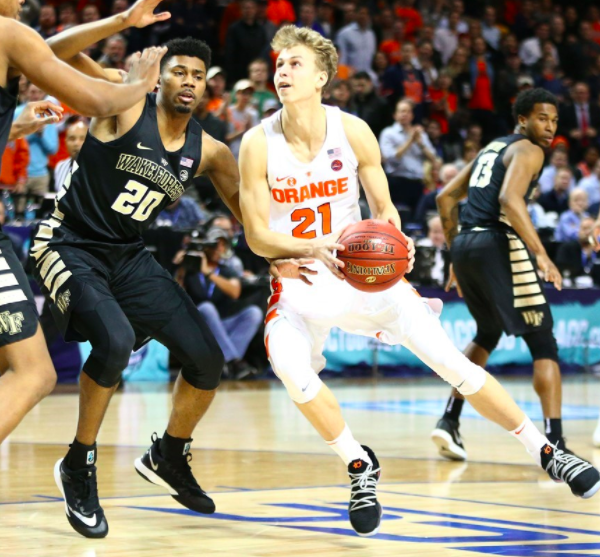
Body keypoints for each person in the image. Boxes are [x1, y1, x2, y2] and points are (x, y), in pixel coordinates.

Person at [239, 27, 600, 538]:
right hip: (303, 283)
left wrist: (397, 239)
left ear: (322, 76)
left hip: (367, 280)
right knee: (290, 369)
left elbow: (383, 207)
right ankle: (358, 465)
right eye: (279, 63)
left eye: (295, 63)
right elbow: (256, 234)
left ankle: (547, 451)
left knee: (457, 367)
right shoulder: (257, 142)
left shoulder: (354, 130)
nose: (282, 71)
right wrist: (307, 248)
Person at [33, 26, 304, 538]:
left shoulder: (210, 152)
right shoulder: (124, 102)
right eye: (178, 71)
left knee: (206, 360)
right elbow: (52, 53)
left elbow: (251, 219)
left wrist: (282, 255)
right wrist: (124, 28)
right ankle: (78, 462)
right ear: (159, 78)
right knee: (114, 343)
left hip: (128, 257)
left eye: (197, 76)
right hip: (67, 242)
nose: (188, 81)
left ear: (205, 88)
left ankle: (169, 455)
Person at [0, 0, 165, 447]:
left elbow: (47, 50)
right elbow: (94, 98)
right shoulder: (8, 34)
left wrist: (12, 124)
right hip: (71, 245)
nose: (23, 3)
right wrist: (138, 83)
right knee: (33, 374)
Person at [432, 89, 596, 471]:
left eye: (554, 121)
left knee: (486, 332)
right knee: (543, 342)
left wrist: (457, 253)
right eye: (542, 118)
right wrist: (540, 254)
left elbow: (445, 197)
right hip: (497, 242)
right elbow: (510, 200)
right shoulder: (529, 149)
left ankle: (449, 420)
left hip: (468, 244)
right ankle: (554, 444)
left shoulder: (493, 147)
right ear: (522, 119)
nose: (550, 128)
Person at [183, 227, 263, 380]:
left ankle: (225, 364)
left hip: (222, 327)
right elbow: (175, 291)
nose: (218, 248)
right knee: (207, 307)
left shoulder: (226, 270)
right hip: (197, 327)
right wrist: (181, 266)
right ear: (205, 245)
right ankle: (234, 362)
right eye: (215, 244)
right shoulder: (191, 269)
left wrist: (209, 274)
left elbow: (235, 291)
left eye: (222, 245)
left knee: (254, 313)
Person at [53, 119, 88, 193]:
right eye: (72, 139)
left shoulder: (99, 169)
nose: (76, 143)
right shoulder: (60, 167)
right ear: (65, 142)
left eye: (82, 139)